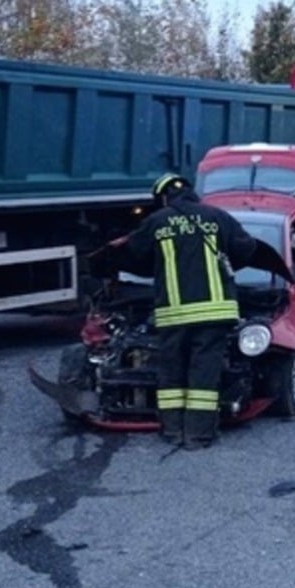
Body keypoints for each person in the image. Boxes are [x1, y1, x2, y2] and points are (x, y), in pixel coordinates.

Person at [120, 172, 258, 450]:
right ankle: (198, 435)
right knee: (203, 374)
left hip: (173, 314)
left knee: (171, 372)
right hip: (214, 312)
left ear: (162, 197)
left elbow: (133, 255)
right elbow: (248, 249)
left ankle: (172, 431)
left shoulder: (156, 222)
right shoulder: (217, 217)